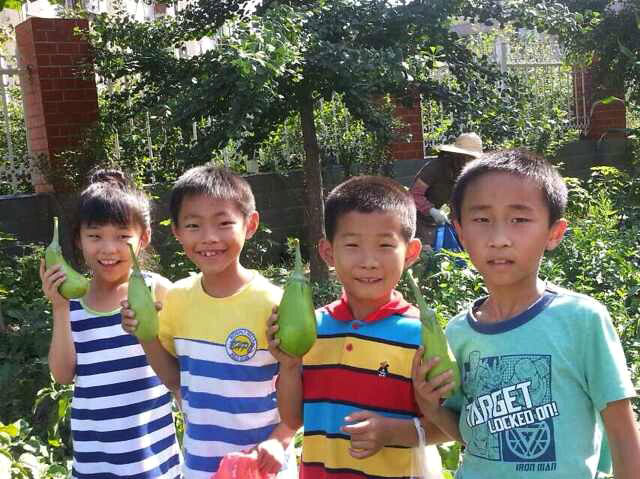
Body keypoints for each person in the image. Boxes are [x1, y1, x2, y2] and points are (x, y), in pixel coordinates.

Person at [412, 149, 640, 479]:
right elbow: (475, 435)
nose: (499, 239)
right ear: (460, 233)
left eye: (519, 219)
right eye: (482, 220)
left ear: (554, 233)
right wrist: (431, 408)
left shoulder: (581, 320)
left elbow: (623, 436)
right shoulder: (458, 332)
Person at [268, 176, 454, 478]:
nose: (369, 261)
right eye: (352, 245)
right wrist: (289, 366)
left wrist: (391, 432)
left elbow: (446, 427)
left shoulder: (420, 336)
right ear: (328, 252)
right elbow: (293, 418)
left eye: (385, 245)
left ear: (410, 252)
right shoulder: (313, 330)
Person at [121, 165, 296, 479]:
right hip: (200, 465)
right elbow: (175, 381)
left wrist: (280, 439)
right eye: (193, 225)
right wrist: (145, 334)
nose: (209, 238)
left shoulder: (275, 303)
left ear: (250, 224)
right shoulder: (176, 299)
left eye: (224, 223)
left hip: (262, 467)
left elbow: (304, 386)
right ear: (176, 231)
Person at [40, 169, 181, 479]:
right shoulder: (73, 302)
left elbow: (185, 365)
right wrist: (59, 307)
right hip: (94, 463)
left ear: (143, 238)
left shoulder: (156, 290)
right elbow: (63, 375)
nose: (108, 248)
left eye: (122, 236)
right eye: (95, 236)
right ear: (78, 240)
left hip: (152, 461)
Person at [409, 132, 482, 247]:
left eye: (473, 158)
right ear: (458, 155)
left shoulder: (463, 172)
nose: (471, 161)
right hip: (417, 220)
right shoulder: (435, 167)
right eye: (469, 157)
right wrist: (431, 210)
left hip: (439, 224)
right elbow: (414, 195)